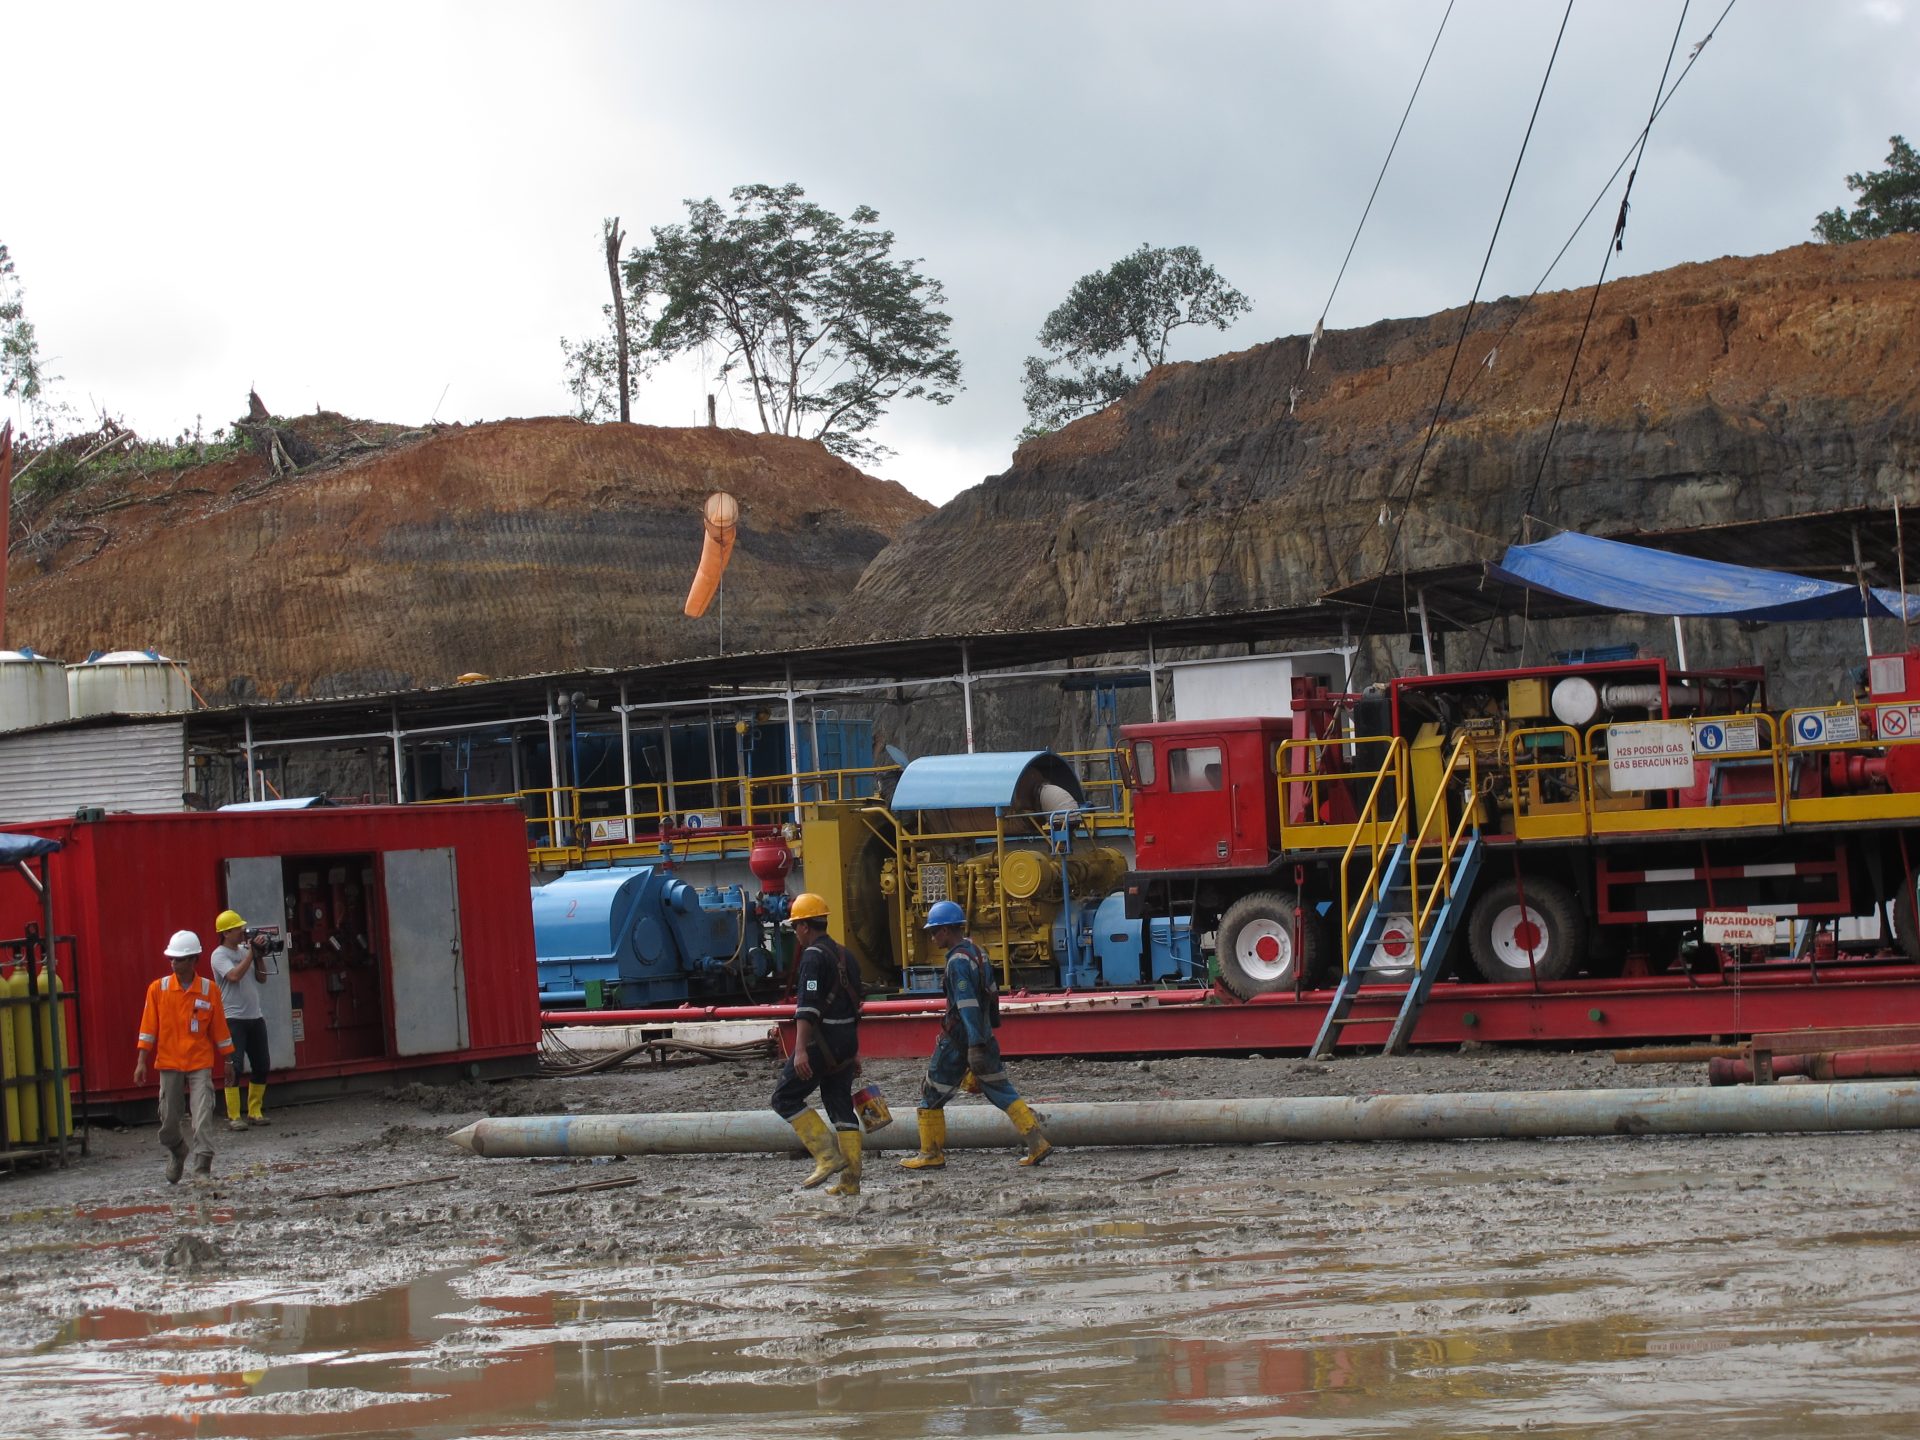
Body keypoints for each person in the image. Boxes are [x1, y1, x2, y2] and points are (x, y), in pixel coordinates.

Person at [900, 900, 1052, 1170]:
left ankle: (930, 1153)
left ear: (947, 930)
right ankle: (1037, 1143)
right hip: (983, 1036)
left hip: (959, 1041)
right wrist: (987, 1033)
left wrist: (972, 1045)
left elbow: (967, 1004)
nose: (932, 937)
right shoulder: (978, 953)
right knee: (1003, 1091)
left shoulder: (957, 963)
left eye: (934, 932)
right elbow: (992, 994)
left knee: (930, 1094)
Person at [768, 892, 864, 1196]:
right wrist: (853, 1051)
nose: (795, 933)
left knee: (784, 1098)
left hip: (822, 1043)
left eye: (796, 926)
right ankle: (850, 1182)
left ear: (806, 927)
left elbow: (807, 1007)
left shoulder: (812, 956)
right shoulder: (845, 955)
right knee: (840, 1107)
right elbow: (855, 1005)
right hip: (846, 1042)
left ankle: (826, 1157)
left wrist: (799, 1050)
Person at [133, 930, 237, 1184]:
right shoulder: (159, 989)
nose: (173, 963)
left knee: (202, 1117)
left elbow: (219, 1028)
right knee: (168, 1120)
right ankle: (177, 1150)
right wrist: (141, 1061)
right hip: (169, 1062)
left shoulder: (208, 990)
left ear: (193, 960)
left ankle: (202, 1167)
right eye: (172, 959)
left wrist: (229, 1060)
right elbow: (148, 1027)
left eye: (178, 959)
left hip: (199, 1062)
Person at [209, 909, 272, 1130]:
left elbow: (262, 979)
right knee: (234, 1067)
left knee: (262, 1064)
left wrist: (259, 956)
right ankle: (234, 1116)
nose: (242, 931)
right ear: (226, 933)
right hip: (232, 1017)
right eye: (238, 928)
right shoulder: (218, 955)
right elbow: (234, 976)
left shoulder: (246, 950)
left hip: (255, 1015)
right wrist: (250, 954)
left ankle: (255, 1111)